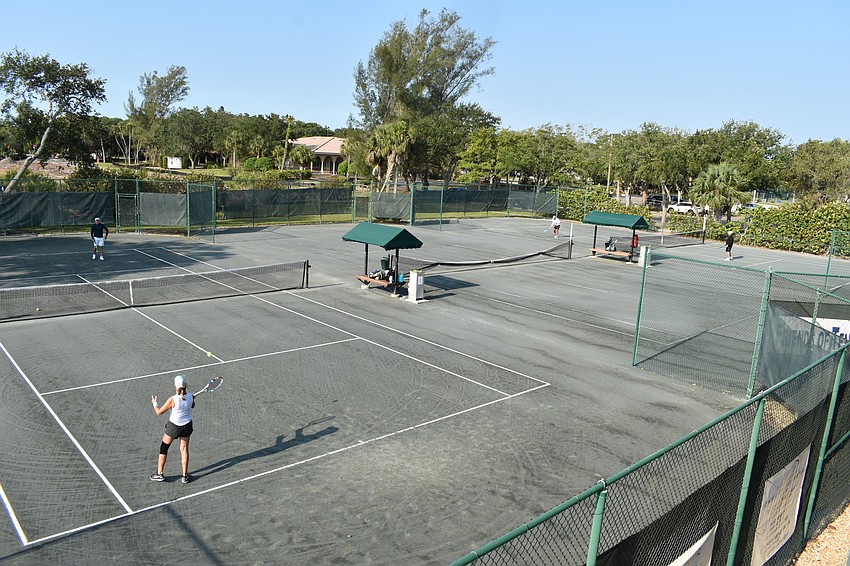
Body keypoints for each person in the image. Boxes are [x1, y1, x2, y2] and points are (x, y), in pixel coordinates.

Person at [150, 375, 195, 483]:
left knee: (164, 448)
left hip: (174, 427)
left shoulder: (172, 399)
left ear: (175, 386)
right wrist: (191, 398)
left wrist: (154, 403)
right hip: (187, 426)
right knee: (184, 450)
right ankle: (185, 476)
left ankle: (159, 474)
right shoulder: (190, 396)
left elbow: (159, 412)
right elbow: (192, 405)